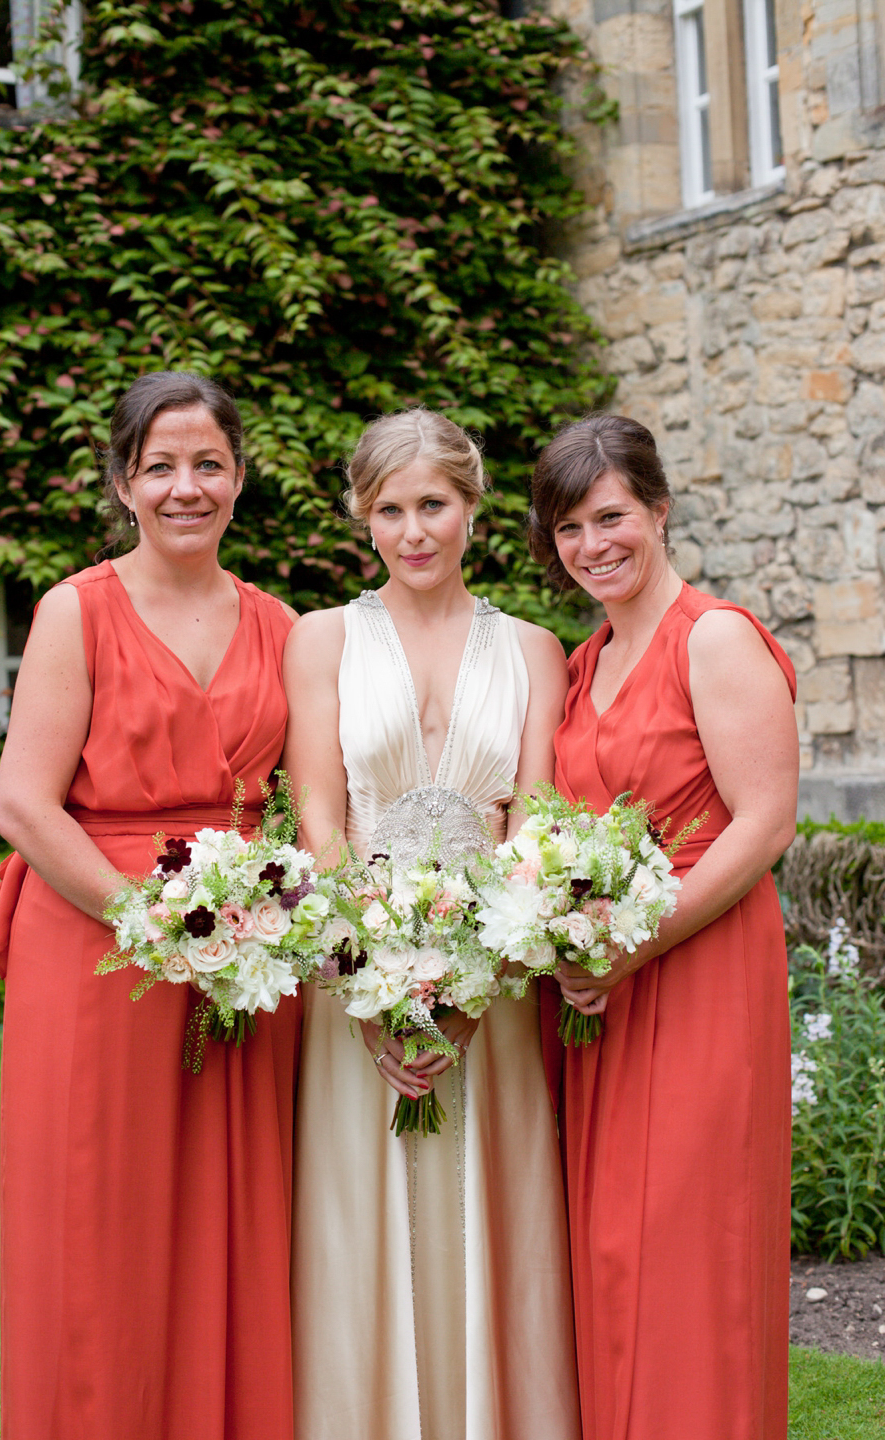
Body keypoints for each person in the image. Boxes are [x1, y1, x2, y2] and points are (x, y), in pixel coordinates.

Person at [0, 371, 300, 1440]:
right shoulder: (74, 611)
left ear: (240, 478)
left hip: (245, 951)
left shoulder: (283, 627)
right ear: (125, 483)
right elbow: (23, 805)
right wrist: (153, 923)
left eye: (207, 463)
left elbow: (328, 809)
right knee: (97, 1225)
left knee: (235, 1225)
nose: (185, 487)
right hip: (95, 949)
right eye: (160, 466)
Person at [282, 408, 581, 1440]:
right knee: (359, 1230)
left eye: (435, 506)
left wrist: (472, 988)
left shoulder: (537, 648)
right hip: (355, 985)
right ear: (363, 517)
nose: (416, 531)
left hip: (490, 990)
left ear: (471, 507)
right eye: (392, 509)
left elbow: (537, 826)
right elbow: (318, 813)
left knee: (487, 1223)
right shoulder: (318, 639)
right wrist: (366, 980)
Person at [528, 413, 798, 1440]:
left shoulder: (715, 637)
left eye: (610, 518)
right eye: (568, 529)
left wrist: (637, 939)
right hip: (603, 989)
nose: (592, 546)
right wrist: (568, 941)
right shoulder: (578, 658)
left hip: (699, 968)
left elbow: (764, 822)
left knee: (691, 1246)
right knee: (613, 1247)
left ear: (658, 508)